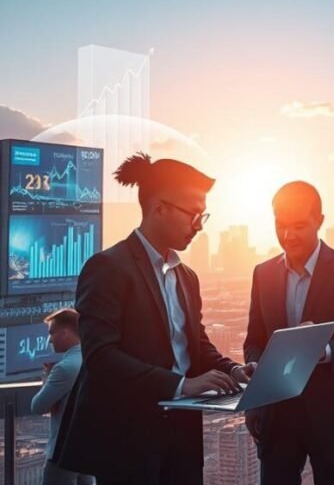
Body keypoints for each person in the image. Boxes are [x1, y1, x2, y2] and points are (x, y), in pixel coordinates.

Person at [56, 153, 255, 484]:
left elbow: (196, 345)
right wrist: (180, 384)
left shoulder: (186, 276)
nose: (199, 226)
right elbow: (101, 356)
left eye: (202, 215)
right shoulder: (107, 268)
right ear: (159, 207)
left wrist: (233, 369)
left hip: (182, 437)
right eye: (193, 214)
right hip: (127, 441)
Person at [244, 181, 334, 485]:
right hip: (277, 413)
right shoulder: (263, 274)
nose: (287, 235)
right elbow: (254, 340)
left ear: (319, 221)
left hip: (332, 414)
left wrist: (326, 350)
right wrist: (256, 369)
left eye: (298, 226)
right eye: (280, 225)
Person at [31, 309, 93, 485]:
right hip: (87, 450)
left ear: (65, 333)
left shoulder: (64, 368)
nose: (49, 339)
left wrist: (47, 379)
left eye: (52, 332)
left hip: (63, 451)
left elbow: (37, 406)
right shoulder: (91, 359)